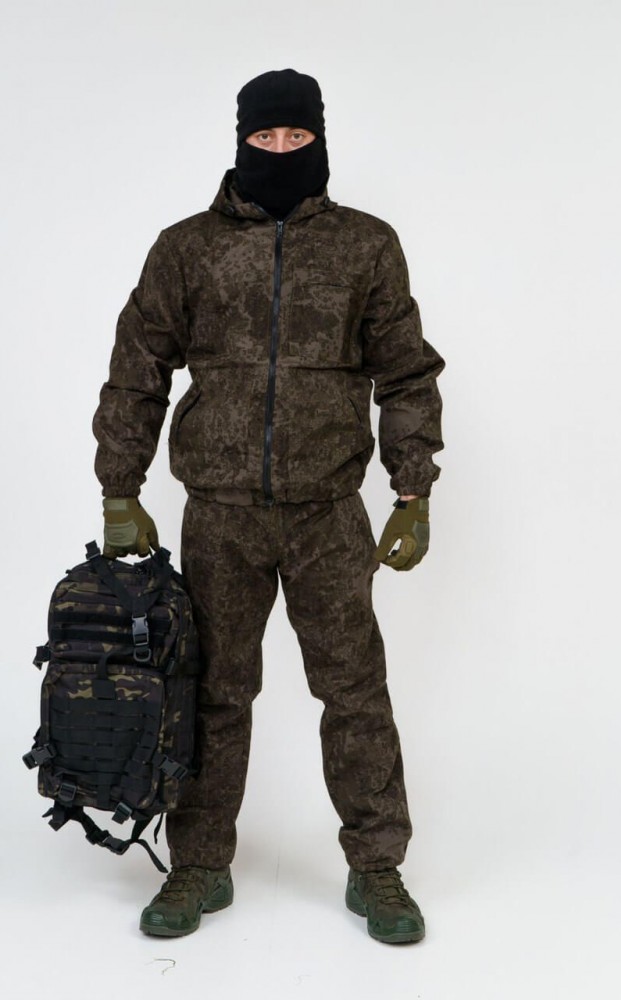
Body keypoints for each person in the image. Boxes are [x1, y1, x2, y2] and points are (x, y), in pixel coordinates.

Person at [92, 68, 445, 944]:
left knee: (354, 691)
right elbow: (138, 365)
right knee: (213, 690)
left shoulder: (366, 246)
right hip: (220, 515)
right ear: (241, 138)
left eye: (296, 136)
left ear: (319, 139)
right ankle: (200, 864)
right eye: (265, 136)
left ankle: (377, 866)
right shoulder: (188, 248)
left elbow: (405, 371)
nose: (280, 149)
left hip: (329, 513)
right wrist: (119, 486)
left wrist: (412, 490)